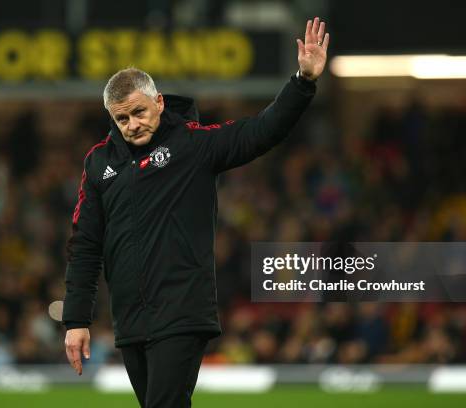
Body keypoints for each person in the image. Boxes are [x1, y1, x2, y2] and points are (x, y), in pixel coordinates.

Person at [62, 17, 330, 407]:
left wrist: (302, 83)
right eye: (122, 119)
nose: (132, 125)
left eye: (139, 112)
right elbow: (85, 245)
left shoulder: (192, 145)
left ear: (159, 102)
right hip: (131, 319)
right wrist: (76, 320)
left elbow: (260, 132)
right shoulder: (98, 164)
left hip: (182, 313)